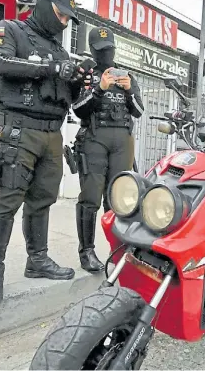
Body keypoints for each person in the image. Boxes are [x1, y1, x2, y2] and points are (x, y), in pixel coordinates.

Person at [0, 0, 89, 304]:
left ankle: (37, 259)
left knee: (43, 198)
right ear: (44, 7)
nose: (65, 23)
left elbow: (73, 102)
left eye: (69, 19)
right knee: (7, 198)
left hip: (52, 134)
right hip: (17, 128)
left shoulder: (63, 53)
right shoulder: (8, 29)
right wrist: (54, 69)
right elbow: (2, 65)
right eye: (61, 15)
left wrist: (79, 80)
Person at [71, 26, 144, 273]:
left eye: (110, 49)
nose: (106, 54)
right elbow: (78, 109)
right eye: (101, 50)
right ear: (93, 49)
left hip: (122, 141)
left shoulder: (127, 76)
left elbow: (139, 111)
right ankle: (87, 251)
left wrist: (129, 89)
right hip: (94, 139)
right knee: (90, 196)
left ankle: (118, 251)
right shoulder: (88, 75)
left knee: (119, 200)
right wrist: (99, 88)